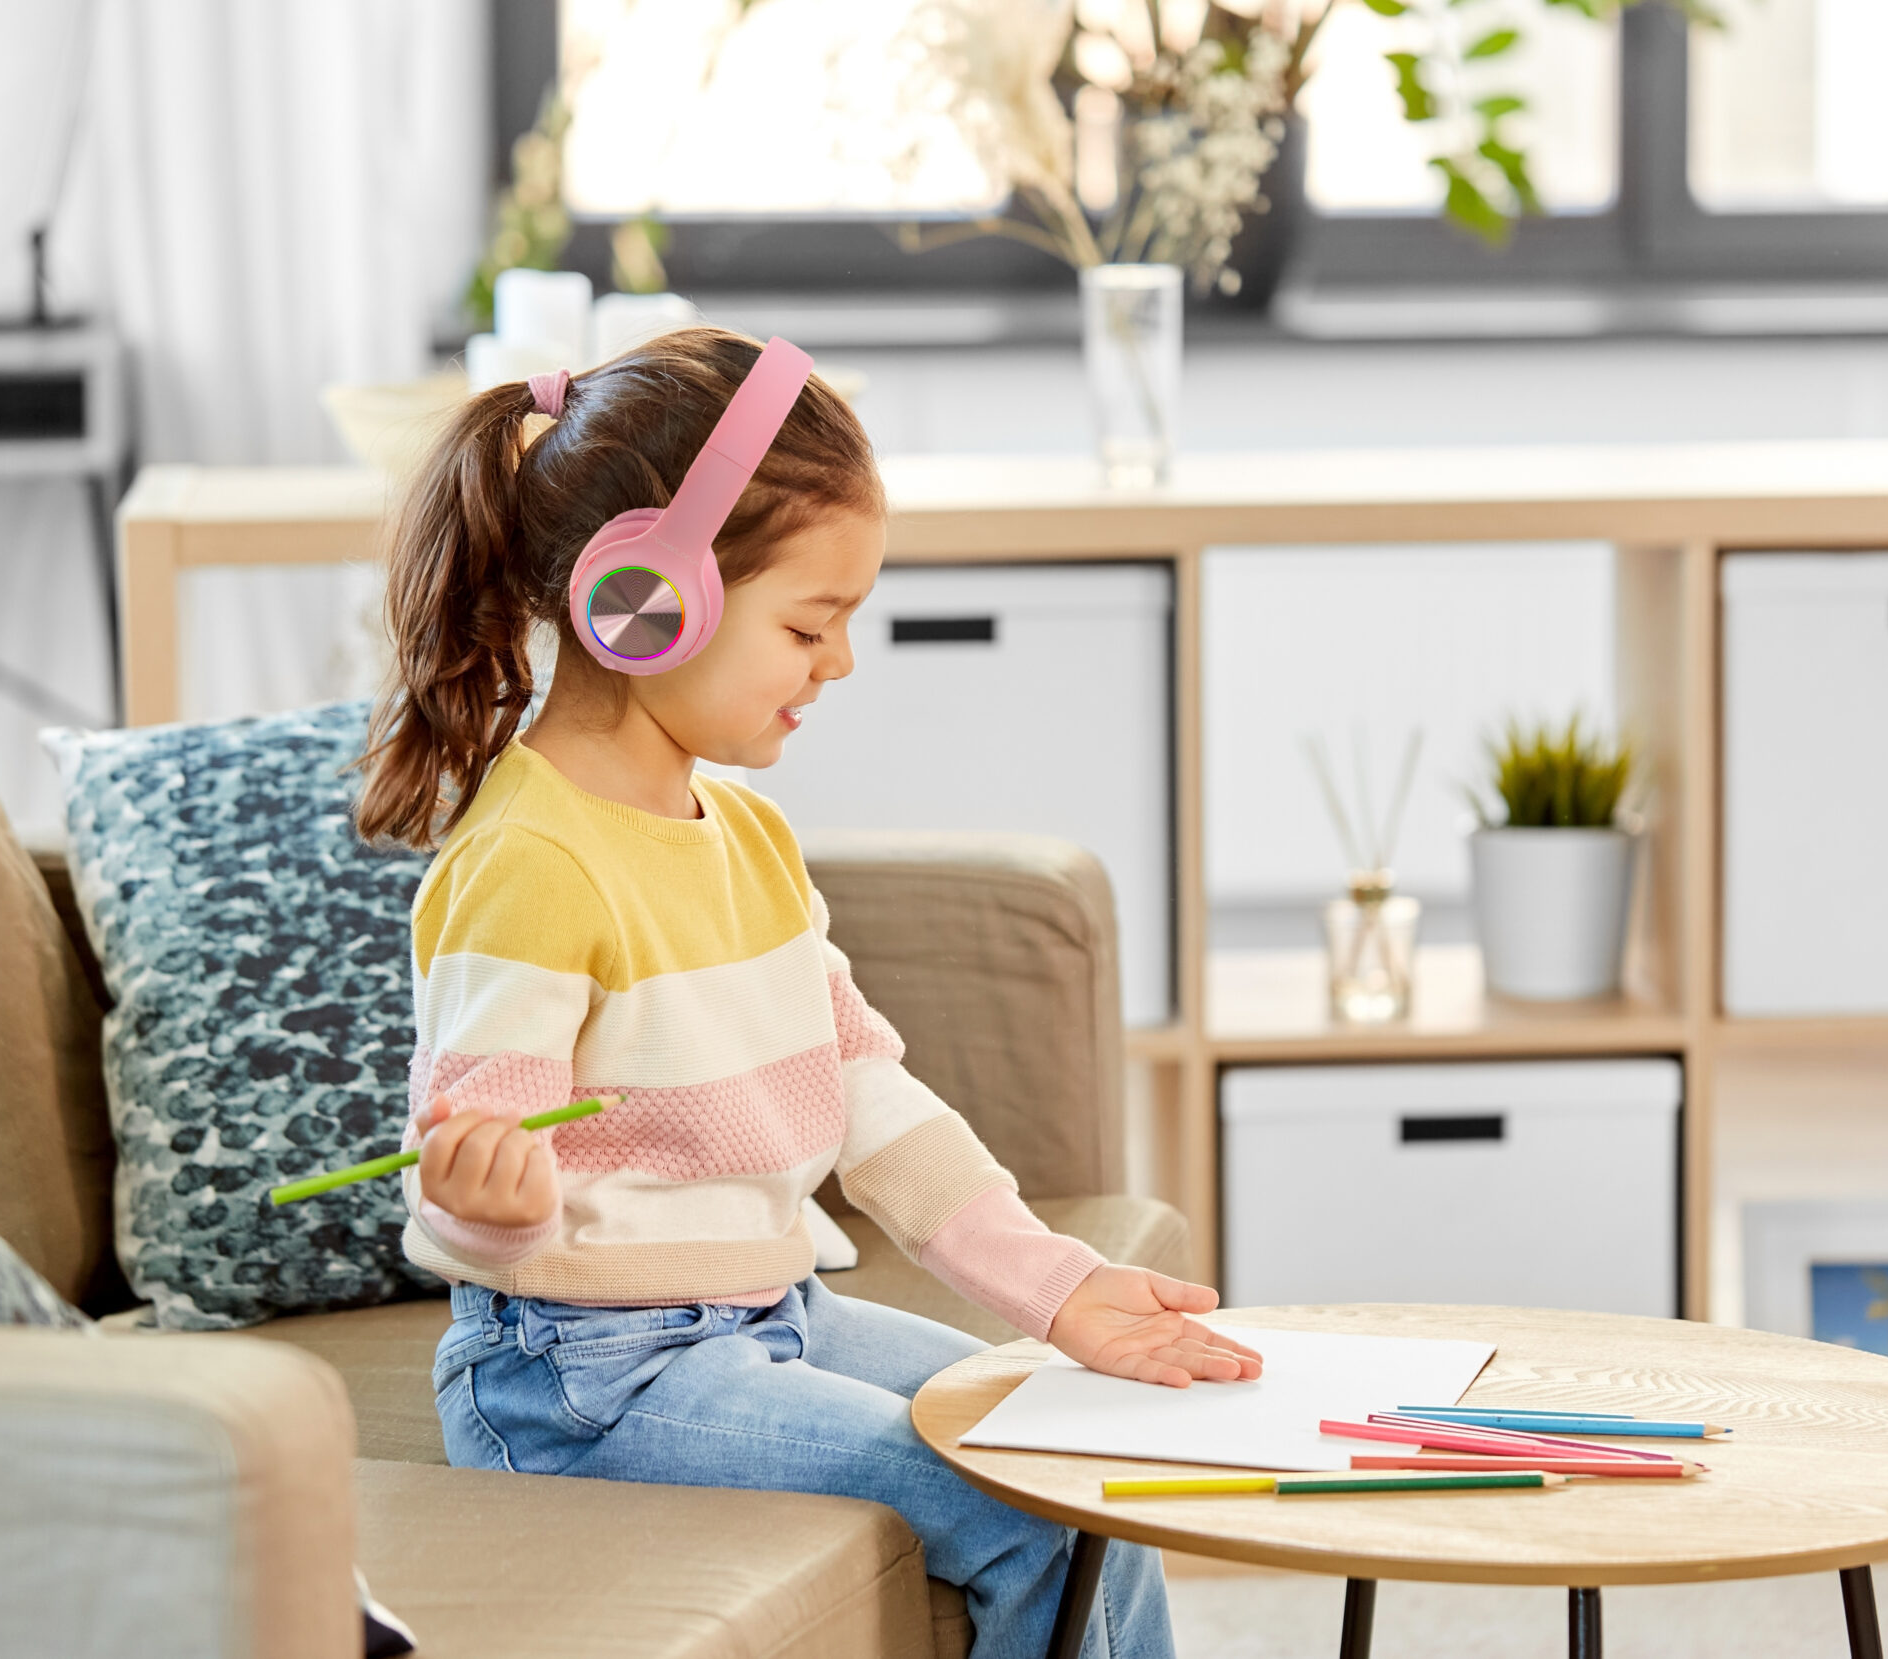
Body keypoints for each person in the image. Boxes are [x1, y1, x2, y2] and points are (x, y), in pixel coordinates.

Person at [353, 326, 1260, 1659]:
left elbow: (869, 1100)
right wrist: (485, 1202)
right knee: (1017, 1506)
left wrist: (1060, 1293)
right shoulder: (529, 864)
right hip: (581, 1379)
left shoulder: (752, 841)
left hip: (771, 1320)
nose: (837, 664)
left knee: (1074, 1465)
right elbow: (488, 1180)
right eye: (809, 625)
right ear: (645, 601)